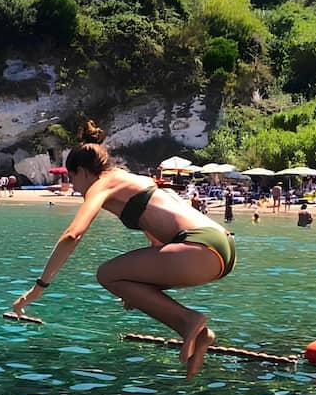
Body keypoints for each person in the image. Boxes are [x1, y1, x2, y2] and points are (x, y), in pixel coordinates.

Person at [12, 144, 236, 380]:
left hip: (200, 247)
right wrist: (137, 292)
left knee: (107, 274)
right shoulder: (132, 180)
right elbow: (157, 240)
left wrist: (39, 288)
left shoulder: (102, 184)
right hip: (221, 247)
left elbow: (72, 235)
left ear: (83, 171)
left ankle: (190, 320)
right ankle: (198, 335)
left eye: (72, 178)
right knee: (119, 279)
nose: (74, 186)